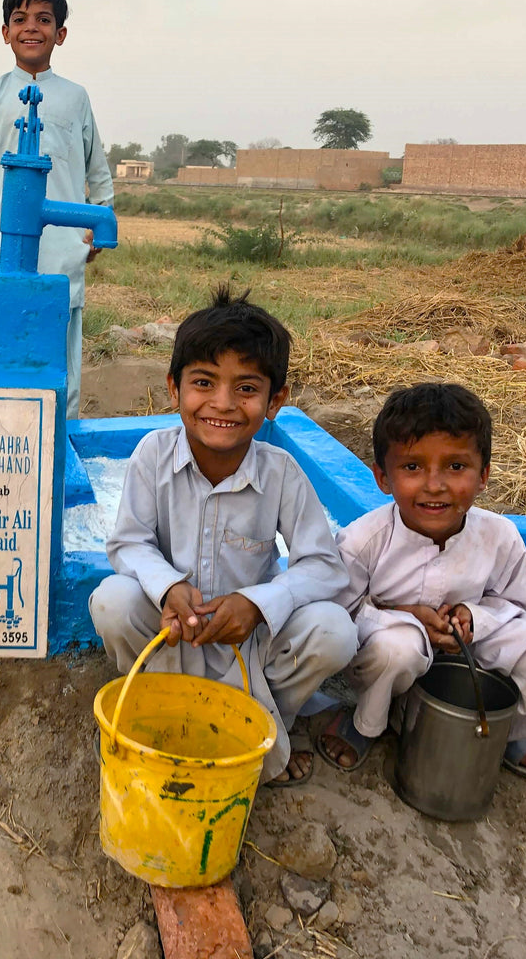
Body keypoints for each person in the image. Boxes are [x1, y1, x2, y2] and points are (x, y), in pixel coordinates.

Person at [89, 287, 358, 785]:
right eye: (204, 382)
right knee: (112, 601)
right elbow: (128, 543)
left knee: (334, 630)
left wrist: (258, 604)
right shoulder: (152, 455)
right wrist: (168, 587)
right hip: (171, 631)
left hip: (249, 640)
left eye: (246, 388)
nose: (222, 403)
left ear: (275, 400)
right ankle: (160, 711)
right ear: (174, 388)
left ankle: (266, 723)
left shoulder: (281, 473)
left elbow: (323, 565)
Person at [318, 382, 526, 776]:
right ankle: (367, 724)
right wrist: (406, 616)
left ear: (483, 476)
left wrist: (474, 617)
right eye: (412, 467)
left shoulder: (499, 536)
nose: (434, 484)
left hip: (470, 657)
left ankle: (509, 732)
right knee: (398, 647)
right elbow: (340, 614)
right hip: (390, 659)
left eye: (455, 467)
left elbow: (520, 608)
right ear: (382, 477)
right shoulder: (364, 540)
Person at [0, 0, 114, 420]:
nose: (31, 27)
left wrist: (99, 222)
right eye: (20, 19)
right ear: (6, 33)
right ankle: (7, 442)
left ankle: (63, 446)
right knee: (5, 350)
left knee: (62, 360)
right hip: (5, 247)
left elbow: (98, 171)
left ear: (60, 34)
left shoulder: (76, 98)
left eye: (43, 19)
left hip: (64, 248)